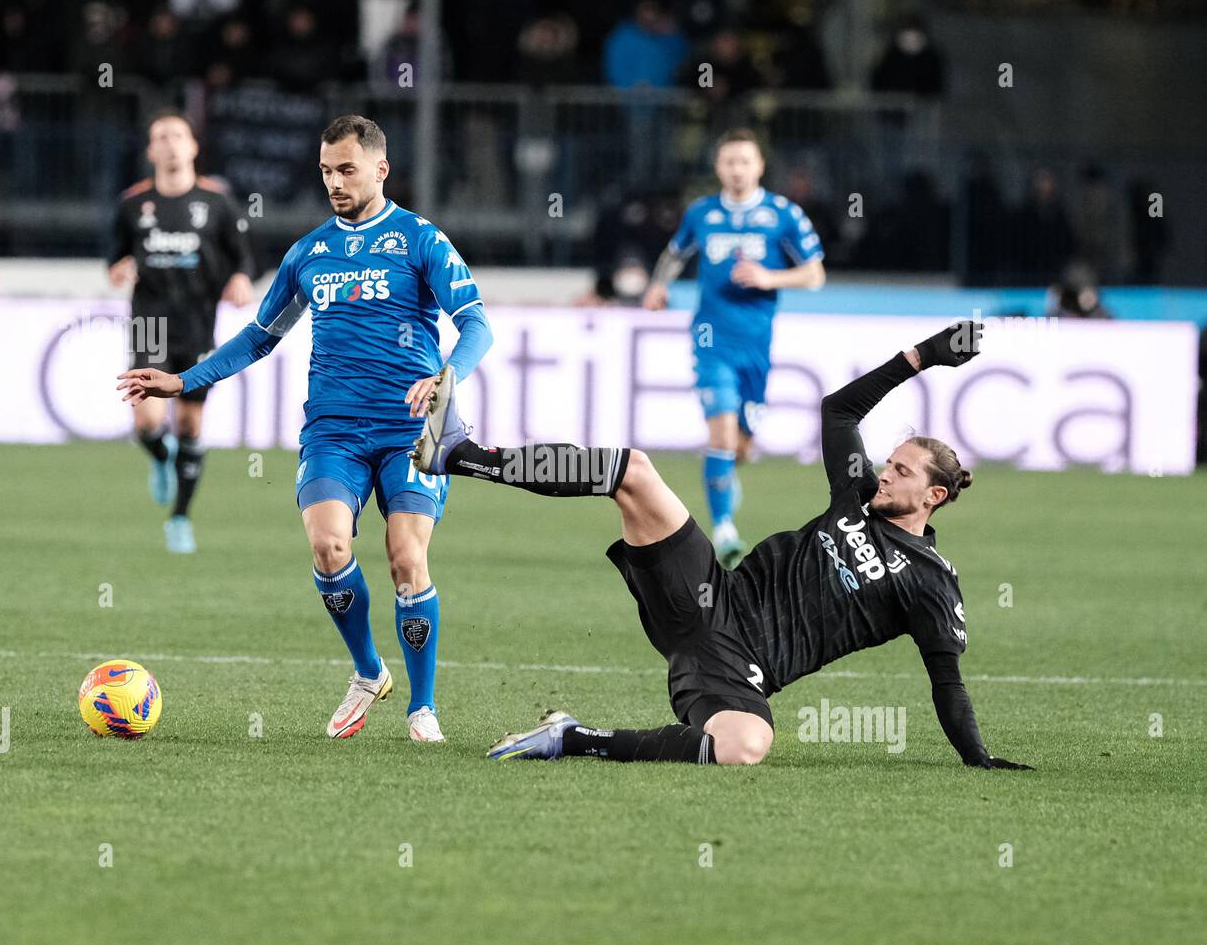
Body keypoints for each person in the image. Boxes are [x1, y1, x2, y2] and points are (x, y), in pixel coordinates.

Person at [411, 321, 1030, 770]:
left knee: (746, 745)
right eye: (888, 463)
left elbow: (946, 680)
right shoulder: (856, 495)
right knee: (634, 471)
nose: (885, 473)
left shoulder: (930, 580)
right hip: (708, 595)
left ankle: (572, 739)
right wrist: (920, 357)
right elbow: (839, 410)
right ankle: (460, 454)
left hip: (735, 670)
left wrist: (980, 758)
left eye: (902, 471)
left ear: (935, 496)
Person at [117, 115, 494, 745]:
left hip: (409, 428)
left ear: (381, 169)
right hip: (333, 428)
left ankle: (422, 707)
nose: (335, 182)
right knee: (328, 549)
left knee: (406, 557)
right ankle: (368, 671)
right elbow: (259, 337)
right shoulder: (309, 253)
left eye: (347, 169)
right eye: (325, 171)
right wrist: (183, 380)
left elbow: (477, 324)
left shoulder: (421, 240)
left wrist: (446, 376)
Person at [643, 128, 826, 568]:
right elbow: (675, 253)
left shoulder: (783, 214)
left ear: (759, 165)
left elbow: (815, 274)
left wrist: (770, 278)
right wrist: (658, 285)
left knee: (741, 445)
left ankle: (727, 475)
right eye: (728, 162)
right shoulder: (702, 213)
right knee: (720, 433)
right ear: (718, 167)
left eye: (745, 161)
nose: (736, 169)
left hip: (756, 348)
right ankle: (724, 531)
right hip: (711, 340)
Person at [108, 110, 255, 553]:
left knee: (190, 423)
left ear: (193, 146)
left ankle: (179, 518)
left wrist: (241, 278)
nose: (170, 143)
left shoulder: (217, 202)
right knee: (146, 420)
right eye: (161, 137)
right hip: (150, 324)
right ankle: (160, 457)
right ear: (151, 150)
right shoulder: (132, 204)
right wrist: (119, 268)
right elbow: (114, 257)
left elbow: (245, 257)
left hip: (197, 325)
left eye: (178, 135)